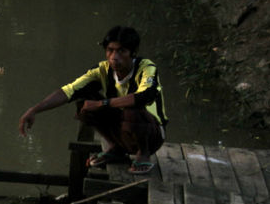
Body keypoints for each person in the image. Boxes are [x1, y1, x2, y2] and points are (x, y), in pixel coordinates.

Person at [17, 26, 167, 174]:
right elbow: (69, 91)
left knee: (132, 109)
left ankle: (143, 154)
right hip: (123, 130)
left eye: (121, 51)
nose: (114, 57)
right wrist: (34, 110)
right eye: (110, 50)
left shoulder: (146, 68)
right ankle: (116, 147)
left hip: (151, 133)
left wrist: (103, 103)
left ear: (132, 53)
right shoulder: (102, 70)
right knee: (85, 104)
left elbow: (144, 96)